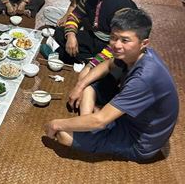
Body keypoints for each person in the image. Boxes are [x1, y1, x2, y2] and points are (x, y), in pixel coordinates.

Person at [44, 8, 179, 162]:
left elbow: (100, 121)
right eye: (113, 37)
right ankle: (88, 121)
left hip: (138, 140)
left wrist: (56, 124)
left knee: (64, 134)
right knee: (90, 83)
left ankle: (89, 124)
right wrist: (79, 86)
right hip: (131, 117)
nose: (116, 45)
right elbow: (108, 65)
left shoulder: (145, 78)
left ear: (144, 43)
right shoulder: (137, 53)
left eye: (125, 40)